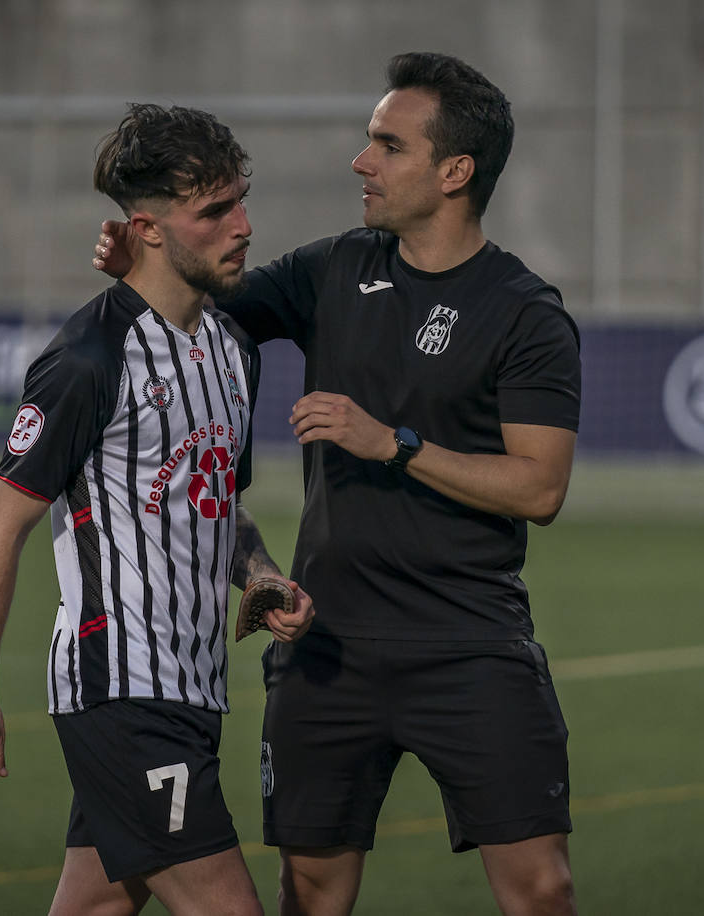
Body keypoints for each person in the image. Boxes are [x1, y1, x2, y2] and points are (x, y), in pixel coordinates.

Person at [95, 52, 580, 915]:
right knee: (310, 887)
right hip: (325, 646)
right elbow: (200, 304)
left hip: (467, 644)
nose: (363, 162)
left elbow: (539, 488)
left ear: (455, 171)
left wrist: (391, 444)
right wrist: (146, 257)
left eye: (388, 145)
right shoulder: (334, 269)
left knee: (540, 888)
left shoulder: (524, 311)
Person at [0, 102, 314, 916]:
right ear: (146, 228)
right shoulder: (87, 358)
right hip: (122, 692)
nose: (243, 225)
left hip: (195, 689)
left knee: (96, 904)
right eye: (214, 211)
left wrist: (260, 573)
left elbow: (217, 503)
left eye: (241, 199)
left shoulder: (234, 351)